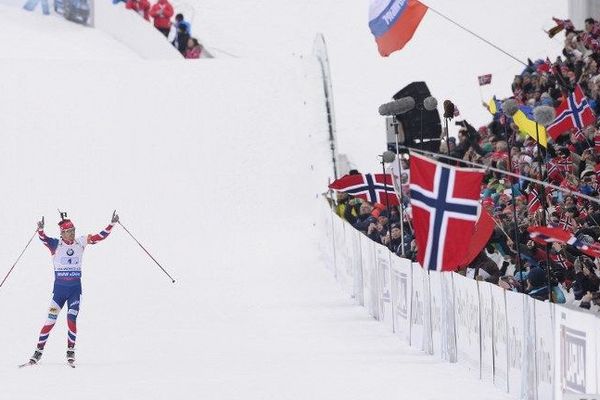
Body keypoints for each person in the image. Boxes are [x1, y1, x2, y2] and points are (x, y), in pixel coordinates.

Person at [26, 212, 119, 366]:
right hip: (59, 292)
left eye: (74, 230)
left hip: (75, 291)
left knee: (71, 319)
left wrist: (112, 224)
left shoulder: (80, 242)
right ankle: (38, 351)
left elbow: (99, 237)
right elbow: (43, 238)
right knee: (50, 321)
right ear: (62, 233)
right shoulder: (56, 244)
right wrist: (41, 229)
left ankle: (70, 350)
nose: (72, 233)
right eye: (69, 231)